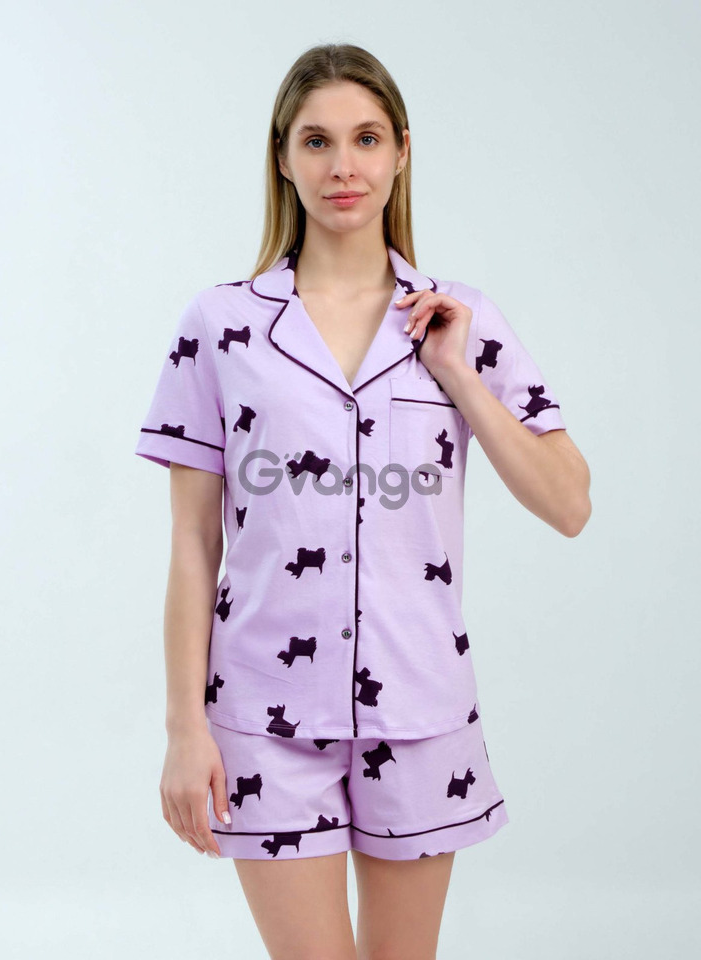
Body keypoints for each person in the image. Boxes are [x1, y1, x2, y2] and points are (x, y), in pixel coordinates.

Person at [134, 42, 591, 960]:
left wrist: (457, 377)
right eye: (317, 141)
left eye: (367, 138)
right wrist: (185, 729)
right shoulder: (220, 327)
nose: (343, 165)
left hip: (419, 712)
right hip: (263, 718)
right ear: (282, 156)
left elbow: (569, 503)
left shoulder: (459, 321)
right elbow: (192, 544)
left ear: (401, 153)